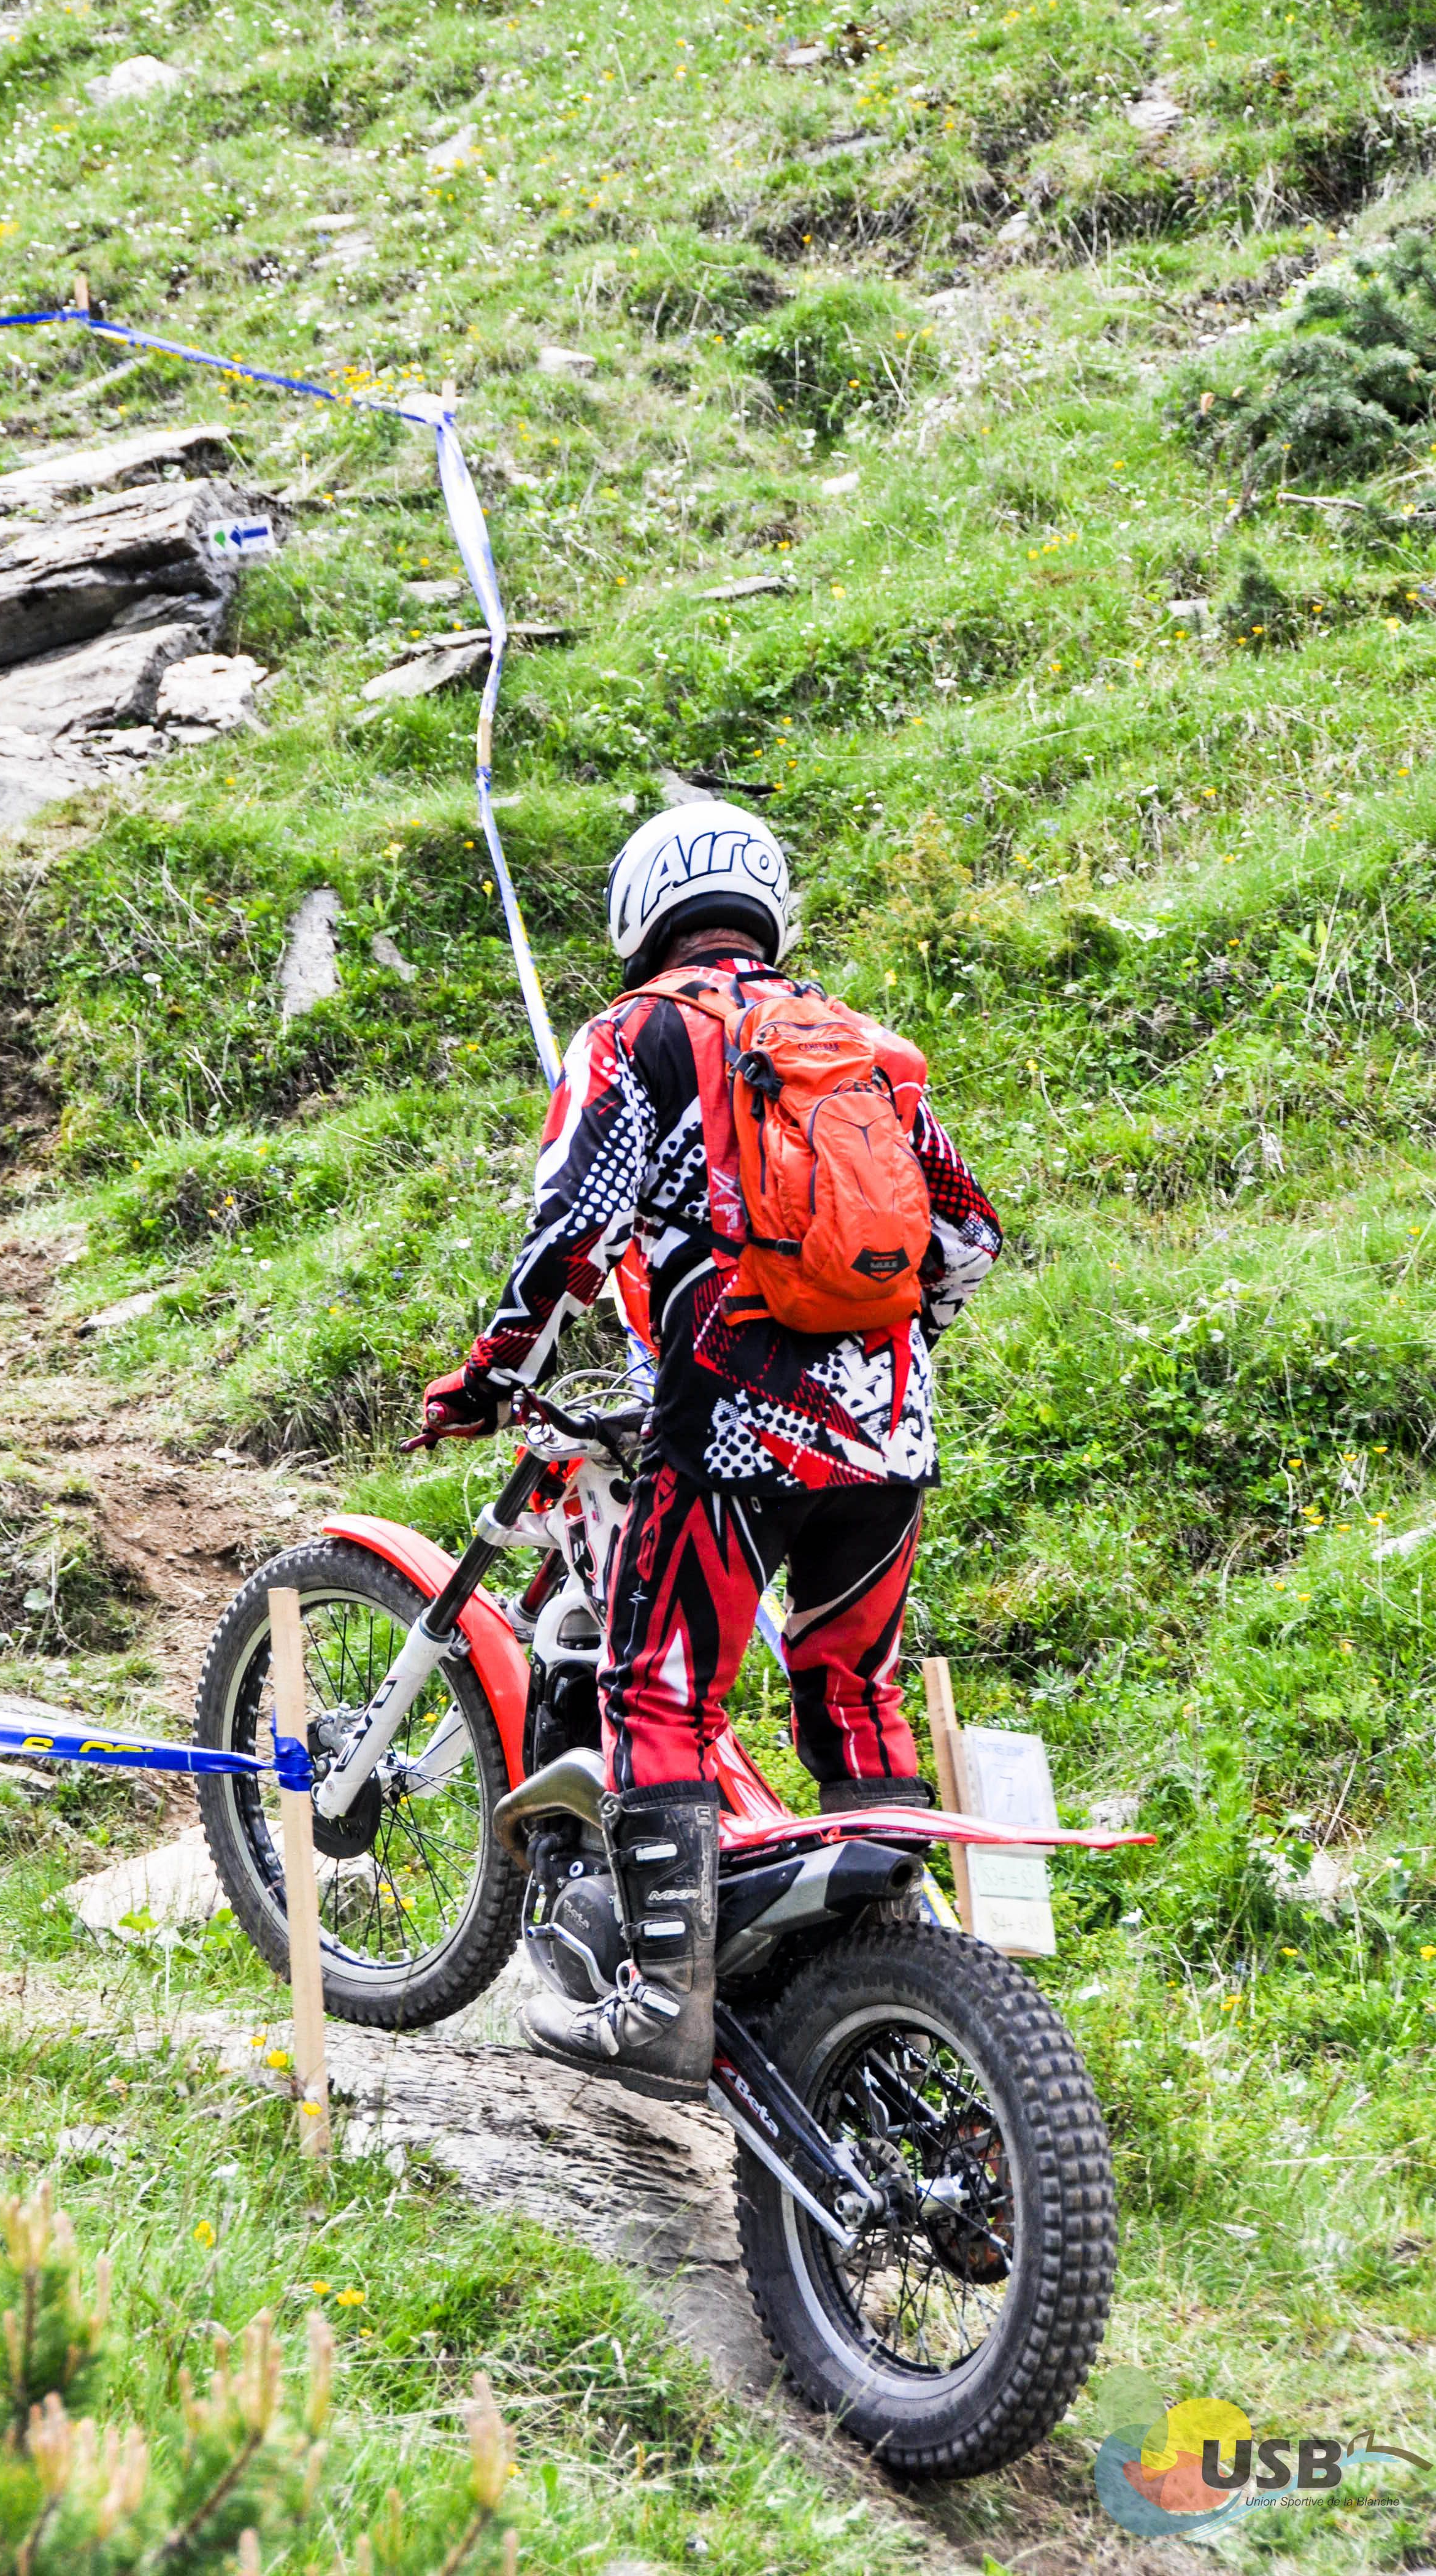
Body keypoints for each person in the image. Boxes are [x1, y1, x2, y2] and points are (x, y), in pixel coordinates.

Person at [418, 800, 1001, 2100]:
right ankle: (884, 1984)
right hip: (889, 1431)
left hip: (727, 1429)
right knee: (854, 1690)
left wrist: (488, 1376)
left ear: (640, 914)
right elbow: (966, 1236)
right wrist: (878, 1349)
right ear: (769, 904)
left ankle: (660, 2007)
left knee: (660, 1693)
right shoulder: (865, 1047)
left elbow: (571, 1234)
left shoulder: (633, 1035)